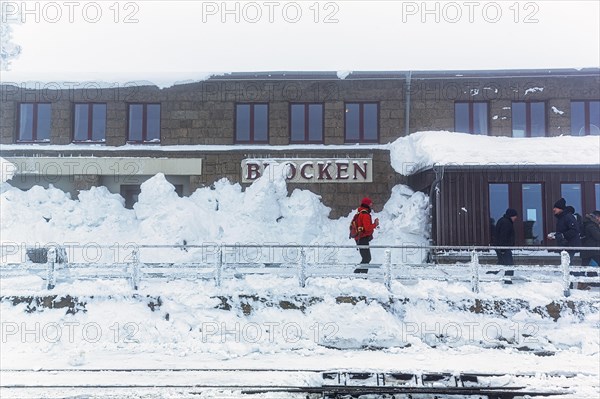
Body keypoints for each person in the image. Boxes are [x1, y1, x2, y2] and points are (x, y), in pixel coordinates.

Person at [547, 198, 581, 265]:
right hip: (565, 245)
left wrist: (562, 235)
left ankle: (576, 275)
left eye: (555, 208)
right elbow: (563, 231)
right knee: (568, 263)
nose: (554, 209)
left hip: (569, 245)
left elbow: (574, 230)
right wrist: (555, 235)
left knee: (567, 263)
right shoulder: (561, 218)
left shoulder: (568, 217)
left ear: (560, 208)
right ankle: (575, 274)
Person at [353, 197, 379, 273]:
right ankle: (360, 274)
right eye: (370, 203)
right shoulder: (365, 214)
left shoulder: (360, 212)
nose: (372, 204)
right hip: (362, 238)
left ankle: (360, 274)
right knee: (367, 258)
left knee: (366, 258)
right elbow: (367, 228)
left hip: (360, 238)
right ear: (367, 204)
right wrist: (375, 224)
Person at [494, 208, 518, 284]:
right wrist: (503, 249)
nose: (516, 218)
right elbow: (503, 236)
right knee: (509, 265)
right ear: (511, 215)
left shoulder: (504, 221)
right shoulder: (506, 223)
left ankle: (488, 276)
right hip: (504, 248)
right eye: (515, 216)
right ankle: (507, 281)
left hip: (502, 247)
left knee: (501, 263)